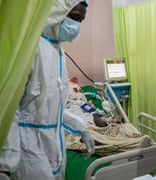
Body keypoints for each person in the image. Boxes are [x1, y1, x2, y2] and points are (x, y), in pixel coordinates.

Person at [0, 0, 94, 179]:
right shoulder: (30, 48)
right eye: (73, 17)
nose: (75, 26)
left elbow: (51, 109)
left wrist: (81, 127)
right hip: (27, 148)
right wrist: (5, 164)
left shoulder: (58, 51)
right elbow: (9, 110)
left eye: (80, 20)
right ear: (56, 12)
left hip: (54, 145)